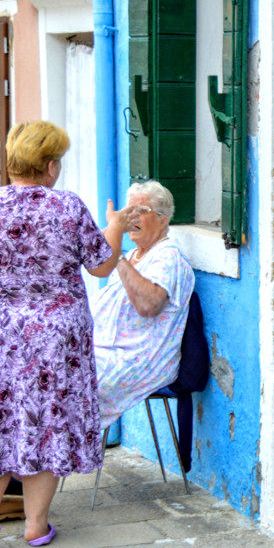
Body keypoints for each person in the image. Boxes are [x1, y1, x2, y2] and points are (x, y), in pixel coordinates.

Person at [0, 121, 132, 548]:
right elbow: (101, 266)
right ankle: (36, 525)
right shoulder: (67, 207)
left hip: (2, 333)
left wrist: (1, 278)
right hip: (56, 336)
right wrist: (117, 225)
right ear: (49, 166)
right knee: (46, 418)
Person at [92, 180, 194, 426]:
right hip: (105, 349)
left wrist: (114, 255)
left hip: (138, 357)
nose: (132, 217)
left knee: (68, 384)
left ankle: (59, 457)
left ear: (162, 219)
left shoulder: (168, 257)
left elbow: (148, 306)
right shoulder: (131, 256)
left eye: (141, 210)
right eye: (129, 211)